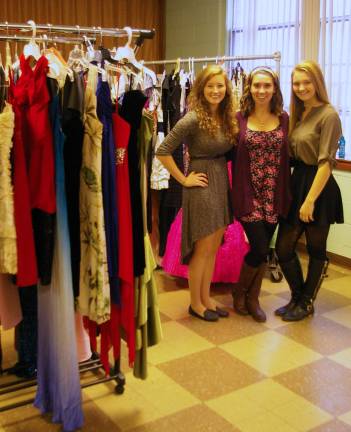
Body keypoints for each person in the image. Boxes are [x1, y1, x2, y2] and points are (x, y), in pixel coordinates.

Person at [156, 65, 238, 322]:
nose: (215, 90)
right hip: (201, 183)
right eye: (210, 86)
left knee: (213, 246)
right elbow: (163, 150)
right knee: (202, 248)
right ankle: (195, 303)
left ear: (227, 88)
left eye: (220, 86)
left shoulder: (226, 116)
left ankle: (206, 297)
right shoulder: (192, 118)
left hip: (220, 181)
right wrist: (183, 179)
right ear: (201, 88)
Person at [275, 60, 343, 321]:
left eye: (307, 82)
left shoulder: (329, 114)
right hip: (298, 180)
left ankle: (306, 301)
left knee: (316, 249)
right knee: (284, 248)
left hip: (319, 187)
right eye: (296, 83)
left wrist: (310, 200)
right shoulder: (298, 112)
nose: (301, 87)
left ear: (317, 83)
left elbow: (327, 162)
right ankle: (297, 296)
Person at [231, 66, 291, 322]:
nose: (262, 90)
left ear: (274, 89)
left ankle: (252, 298)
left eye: (267, 86)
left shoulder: (285, 118)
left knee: (264, 248)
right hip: (247, 193)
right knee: (258, 246)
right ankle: (240, 293)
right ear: (249, 88)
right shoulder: (238, 118)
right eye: (257, 85)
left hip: (274, 194)